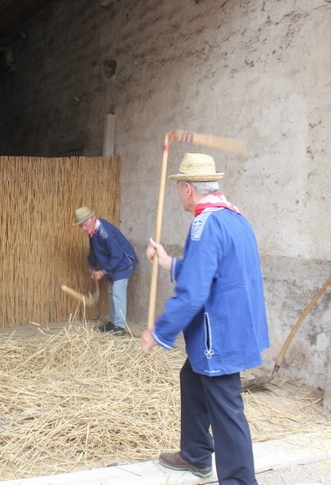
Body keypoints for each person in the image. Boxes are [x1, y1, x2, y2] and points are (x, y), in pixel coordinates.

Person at [140, 153, 269, 484]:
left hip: (219, 334)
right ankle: (196, 454)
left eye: (179, 188)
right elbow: (210, 272)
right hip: (235, 325)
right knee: (191, 378)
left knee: (227, 410)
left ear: (187, 188)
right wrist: (168, 262)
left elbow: (194, 292)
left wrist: (160, 331)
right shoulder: (234, 218)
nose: (179, 195)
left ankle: (239, 480)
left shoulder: (204, 225)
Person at [73, 206, 138, 334]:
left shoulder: (105, 232)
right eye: (81, 226)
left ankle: (119, 327)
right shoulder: (93, 231)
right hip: (114, 263)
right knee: (112, 292)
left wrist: (104, 272)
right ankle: (113, 323)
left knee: (117, 293)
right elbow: (94, 250)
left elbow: (117, 255)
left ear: (92, 219)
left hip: (124, 263)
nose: (83, 229)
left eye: (85, 225)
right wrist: (91, 265)